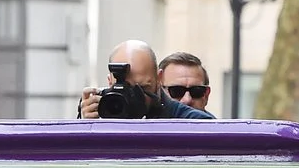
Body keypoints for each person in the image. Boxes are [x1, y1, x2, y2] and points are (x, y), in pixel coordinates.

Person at [78, 40, 214, 120]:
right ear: (110, 83)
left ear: (159, 78)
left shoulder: (193, 123)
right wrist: (88, 127)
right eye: (125, 88)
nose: (134, 97)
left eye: (143, 88)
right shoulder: (103, 116)